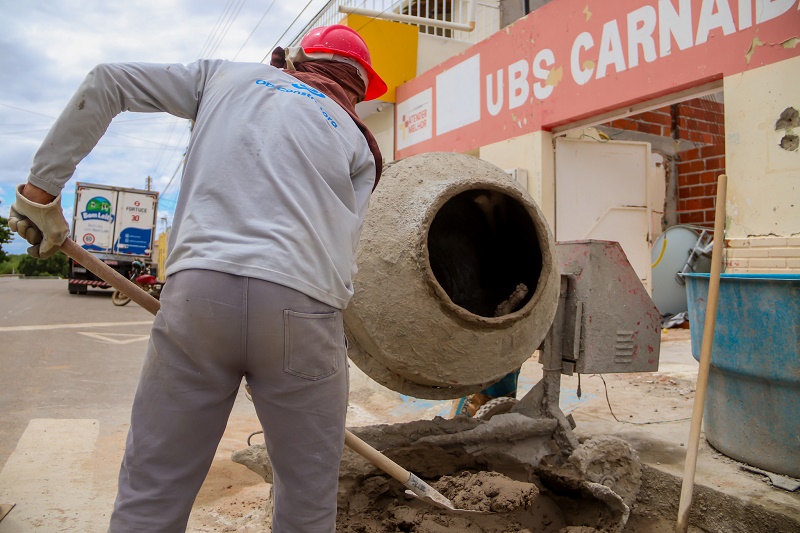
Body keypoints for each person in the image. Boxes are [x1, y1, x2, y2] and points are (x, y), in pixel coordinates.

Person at [8, 24, 387, 532]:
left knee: (153, 493)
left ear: (296, 59)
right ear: (358, 89)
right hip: (305, 311)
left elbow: (107, 81)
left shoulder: (225, 76)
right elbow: (345, 252)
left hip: (200, 297)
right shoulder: (360, 144)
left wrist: (39, 195)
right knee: (308, 503)